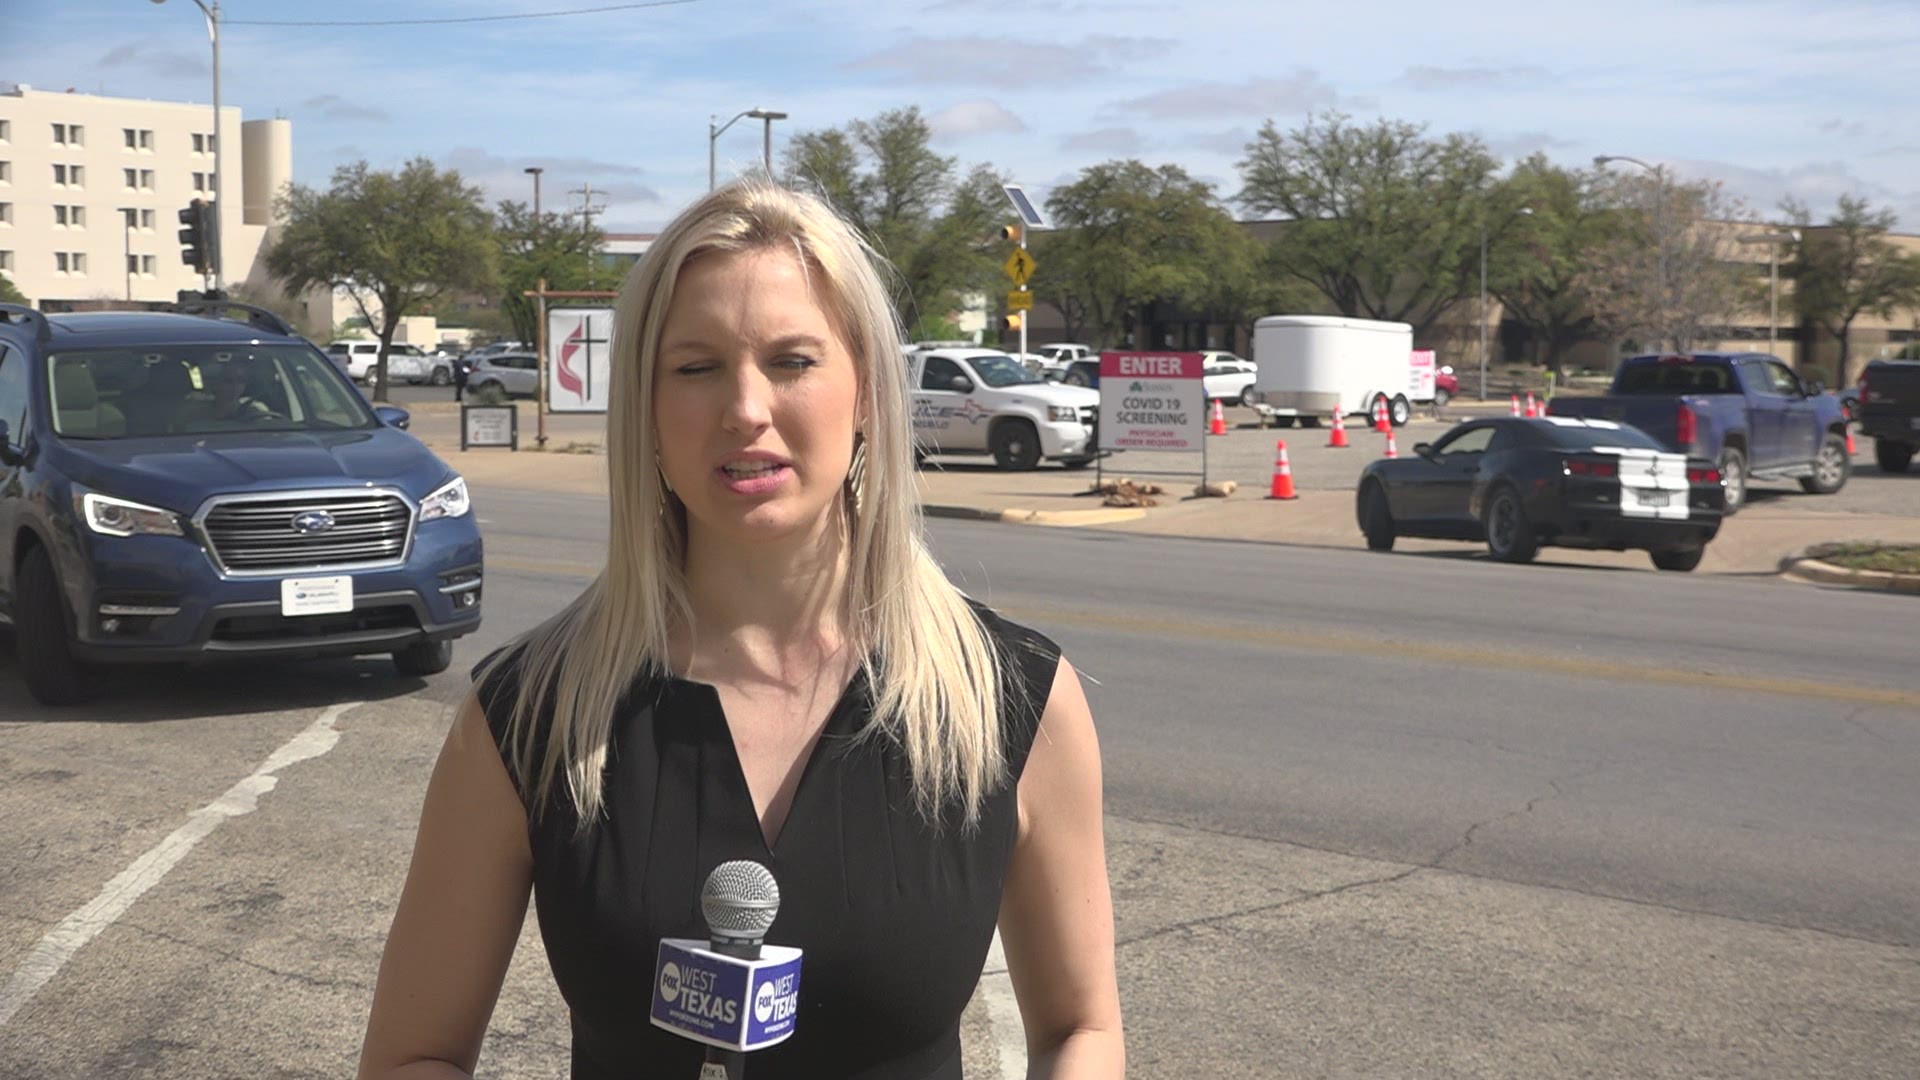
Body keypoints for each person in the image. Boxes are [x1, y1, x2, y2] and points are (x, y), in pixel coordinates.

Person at [357, 180, 1124, 1080]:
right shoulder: (531, 715)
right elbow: (417, 1054)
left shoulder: (1011, 700)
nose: (746, 408)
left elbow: (1081, 1028)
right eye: (696, 367)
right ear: (644, 410)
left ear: (868, 392)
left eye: (793, 361)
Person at [177, 362, 273, 427]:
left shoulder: (257, 412)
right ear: (216, 384)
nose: (235, 386)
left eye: (240, 381)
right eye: (228, 381)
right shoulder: (195, 414)